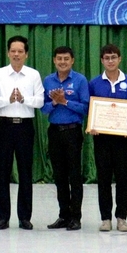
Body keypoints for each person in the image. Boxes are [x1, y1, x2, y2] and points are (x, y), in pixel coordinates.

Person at [0, 35, 44, 231]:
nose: (16, 54)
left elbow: (40, 101)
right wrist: (8, 100)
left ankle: (25, 217)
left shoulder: (33, 75)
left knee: (26, 173)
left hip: (25, 127)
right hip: (4, 126)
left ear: (26, 54)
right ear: (8, 53)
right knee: (2, 172)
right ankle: (3, 217)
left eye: (20, 51)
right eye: (13, 51)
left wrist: (24, 99)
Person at [87, 43, 127, 232]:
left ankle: (122, 218)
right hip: (101, 138)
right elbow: (90, 108)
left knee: (123, 178)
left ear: (119, 59)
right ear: (102, 60)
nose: (110, 61)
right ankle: (105, 218)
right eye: (106, 58)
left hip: (123, 138)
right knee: (104, 178)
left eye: (113, 57)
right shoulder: (94, 83)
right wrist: (92, 125)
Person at [41, 46, 90, 231]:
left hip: (73, 132)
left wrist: (65, 102)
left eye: (66, 59)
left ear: (72, 61)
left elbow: (86, 108)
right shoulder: (48, 80)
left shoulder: (80, 80)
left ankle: (76, 217)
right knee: (59, 176)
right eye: (59, 59)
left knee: (74, 175)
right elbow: (43, 108)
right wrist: (54, 102)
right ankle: (63, 215)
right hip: (54, 132)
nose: (63, 62)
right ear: (54, 60)